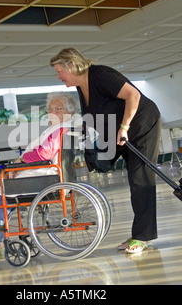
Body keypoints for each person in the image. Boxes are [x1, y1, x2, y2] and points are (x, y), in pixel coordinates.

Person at [50, 47, 162, 254]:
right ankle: (141, 233)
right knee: (101, 163)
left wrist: (125, 127)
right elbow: (93, 116)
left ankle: (143, 237)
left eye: (59, 71)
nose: (58, 76)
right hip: (116, 131)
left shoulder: (100, 75)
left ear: (71, 66)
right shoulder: (82, 87)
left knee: (141, 180)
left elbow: (133, 96)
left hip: (142, 126)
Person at [0, 92, 79, 262]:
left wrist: (20, 161)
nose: (52, 112)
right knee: (1, 200)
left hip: (43, 177)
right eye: (50, 109)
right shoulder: (66, 128)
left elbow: (44, 153)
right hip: (49, 176)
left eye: (58, 109)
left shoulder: (59, 130)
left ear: (69, 112)